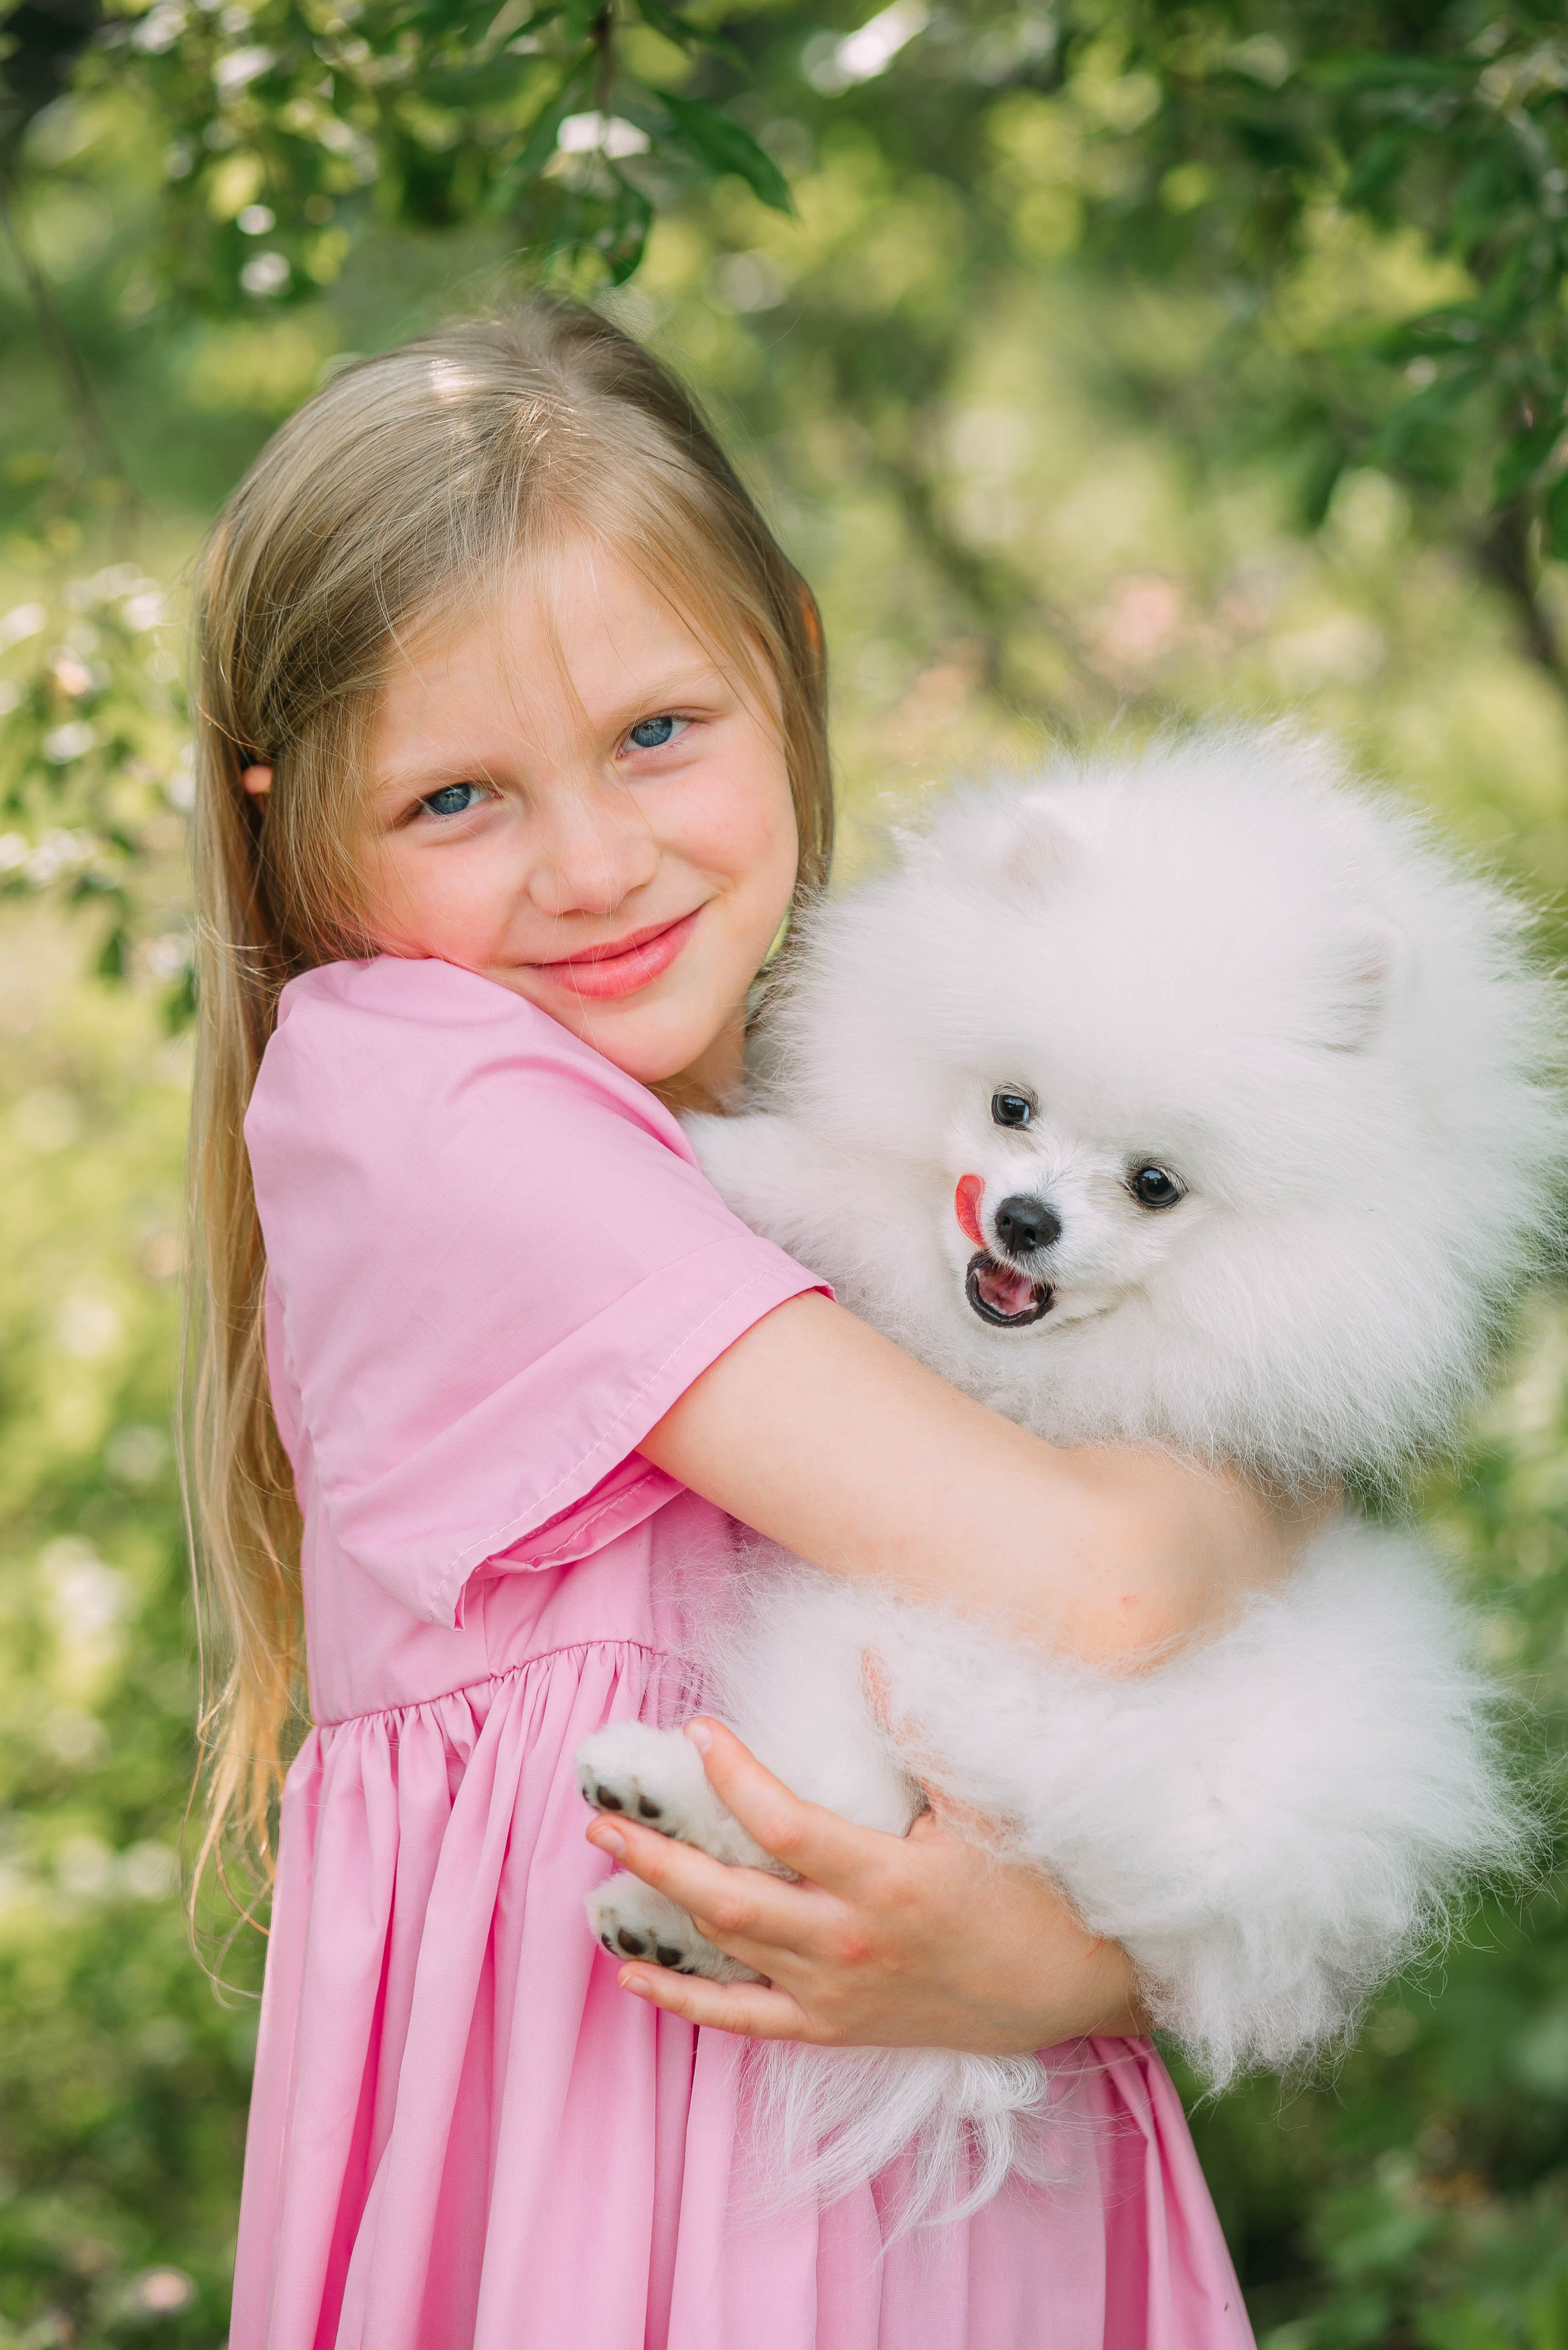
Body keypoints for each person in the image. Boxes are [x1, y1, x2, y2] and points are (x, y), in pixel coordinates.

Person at [192, 302, 1308, 2348]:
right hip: (628, 2205)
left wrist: (1064, 1967)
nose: (596, 864)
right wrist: (1277, 1512)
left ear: (789, 657)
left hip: (971, 2204)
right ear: (289, 826)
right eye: (458, 799)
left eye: (653, 734)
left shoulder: (897, 1114)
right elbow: (1119, 1588)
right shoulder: (413, 1091)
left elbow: (1175, 1714)